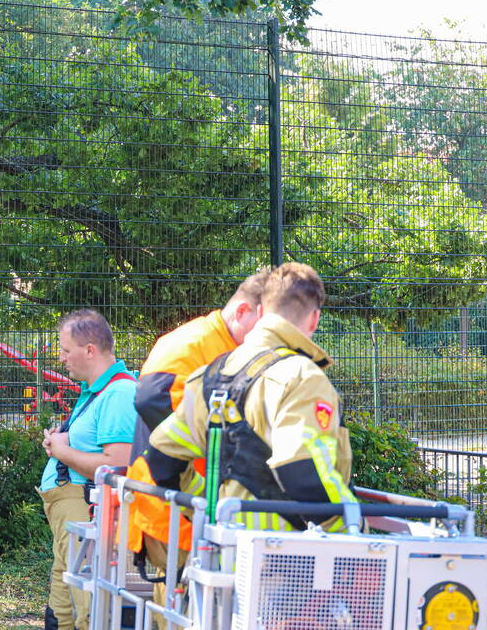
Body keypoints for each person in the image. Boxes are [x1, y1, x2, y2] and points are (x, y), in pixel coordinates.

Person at [146, 262, 355, 534]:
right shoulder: (301, 377)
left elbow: (162, 458)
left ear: (261, 311)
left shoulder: (209, 375)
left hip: (221, 556)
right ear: (314, 318)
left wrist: (208, 508)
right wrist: (351, 531)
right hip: (285, 560)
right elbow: (301, 469)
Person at [126, 270, 268, 569]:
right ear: (243, 311)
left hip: (193, 508)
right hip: (175, 508)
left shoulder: (227, 346)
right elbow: (151, 400)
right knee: (190, 603)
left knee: (185, 603)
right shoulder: (194, 343)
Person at [40, 309, 138, 630]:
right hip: (72, 518)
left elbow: (117, 464)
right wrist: (62, 442)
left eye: (66, 350)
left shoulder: (119, 394)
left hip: (88, 513)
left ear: (90, 350)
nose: (62, 358)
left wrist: (63, 451)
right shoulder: (96, 392)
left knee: (87, 609)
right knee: (63, 609)